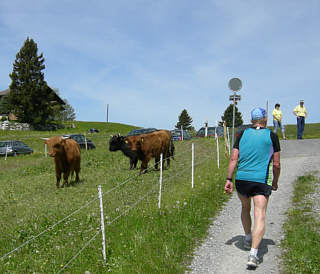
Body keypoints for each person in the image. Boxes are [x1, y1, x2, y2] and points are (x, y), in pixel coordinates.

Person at [224, 107, 281, 269]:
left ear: (251, 120)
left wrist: (228, 179)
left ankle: (248, 237)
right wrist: (275, 181)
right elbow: (276, 164)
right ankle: (253, 254)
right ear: (265, 120)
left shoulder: (242, 134)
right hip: (261, 180)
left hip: (242, 179)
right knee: (260, 214)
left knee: (245, 207)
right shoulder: (272, 136)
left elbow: (234, 157)